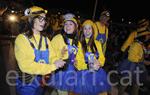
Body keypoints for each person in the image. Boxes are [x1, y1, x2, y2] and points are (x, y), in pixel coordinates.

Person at [14, 6, 66, 95]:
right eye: (40, 18)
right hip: (26, 84)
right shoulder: (22, 39)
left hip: (41, 82)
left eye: (44, 19)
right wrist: (52, 66)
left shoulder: (45, 39)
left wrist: (57, 60)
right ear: (31, 20)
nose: (44, 21)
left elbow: (52, 57)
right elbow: (26, 65)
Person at [48, 17, 85, 95]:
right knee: (62, 92)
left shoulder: (77, 42)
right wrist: (61, 54)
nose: (68, 26)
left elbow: (81, 58)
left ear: (75, 27)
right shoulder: (58, 38)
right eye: (66, 24)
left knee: (57, 92)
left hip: (72, 72)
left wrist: (77, 62)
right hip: (61, 71)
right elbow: (50, 54)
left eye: (70, 24)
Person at [72, 19, 111, 95]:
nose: (87, 31)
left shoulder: (97, 43)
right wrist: (89, 66)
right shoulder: (79, 44)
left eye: (89, 28)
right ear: (82, 31)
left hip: (97, 73)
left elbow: (102, 58)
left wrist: (98, 63)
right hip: (83, 74)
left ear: (93, 30)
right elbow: (77, 61)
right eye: (85, 29)